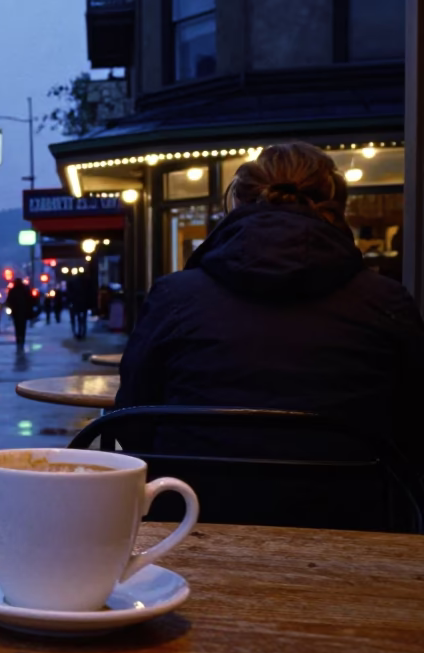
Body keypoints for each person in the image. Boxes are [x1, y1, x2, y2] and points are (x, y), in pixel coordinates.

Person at [116, 141, 424, 465]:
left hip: (191, 493)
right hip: (352, 495)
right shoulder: (385, 301)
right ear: (336, 206)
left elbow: (132, 418)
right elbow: (413, 429)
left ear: (237, 203)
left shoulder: (174, 296)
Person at [5, 278, 34, 352]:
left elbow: (8, 301)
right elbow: (31, 300)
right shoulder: (25, 290)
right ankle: (22, 340)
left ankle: (18, 339)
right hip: (23, 311)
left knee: (17, 327)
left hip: (16, 312)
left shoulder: (13, 291)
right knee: (22, 327)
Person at [67, 275, 91, 339]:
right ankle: (81, 332)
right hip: (80, 303)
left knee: (77, 319)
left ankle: (79, 332)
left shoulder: (73, 286)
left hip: (77, 303)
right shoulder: (84, 284)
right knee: (81, 319)